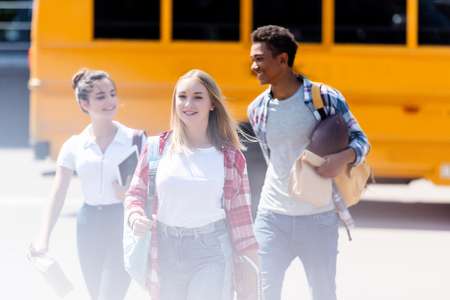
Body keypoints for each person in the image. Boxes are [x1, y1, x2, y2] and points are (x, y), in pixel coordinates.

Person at [247, 25, 370, 300]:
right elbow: (274, 161)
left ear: (282, 59)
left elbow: (362, 141)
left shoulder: (324, 97)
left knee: (323, 294)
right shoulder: (256, 109)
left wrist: (343, 157)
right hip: (271, 217)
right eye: (253, 59)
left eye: (259, 59)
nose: (254, 66)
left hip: (317, 218)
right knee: (260, 293)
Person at [125, 69, 263, 300]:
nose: (188, 103)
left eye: (198, 97)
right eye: (182, 96)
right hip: (165, 250)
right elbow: (135, 194)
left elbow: (243, 223)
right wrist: (134, 217)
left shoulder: (230, 158)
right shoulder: (156, 147)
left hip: (212, 253)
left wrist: (253, 284)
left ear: (212, 104)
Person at [32, 69, 146, 300]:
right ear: (84, 103)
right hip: (88, 226)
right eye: (101, 96)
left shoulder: (136, 139)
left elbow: (151, 187)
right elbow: (57, 195)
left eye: (112, 94)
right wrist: (43, 239)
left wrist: (129, 195)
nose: (110, 101)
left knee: (108, 296)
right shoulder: (73, 146)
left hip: (123, 224)